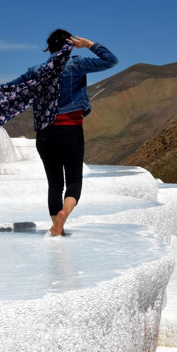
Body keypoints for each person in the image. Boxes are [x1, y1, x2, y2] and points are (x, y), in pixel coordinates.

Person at [8, 29, 118, 236]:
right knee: (74, 181)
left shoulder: (36, 71)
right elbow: (111, 60)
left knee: (55, 183)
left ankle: (57, 226)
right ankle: (64, 214)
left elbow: (10, 90)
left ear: (49, 48)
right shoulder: (77, 64)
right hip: (70, 130)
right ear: (70, 44)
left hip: (45, 135)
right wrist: (89, 44)